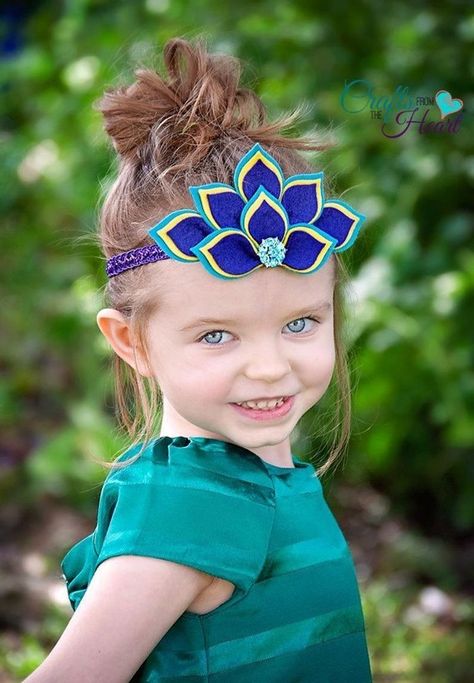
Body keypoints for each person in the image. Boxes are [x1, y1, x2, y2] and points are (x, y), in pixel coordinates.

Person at [25, 36, 372, 682]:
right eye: (218, 334)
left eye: (299, 322)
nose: (270, 367)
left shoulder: (253, 477)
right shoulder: (193, 505)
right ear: (131, 343)